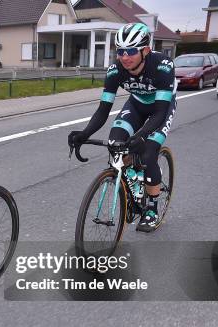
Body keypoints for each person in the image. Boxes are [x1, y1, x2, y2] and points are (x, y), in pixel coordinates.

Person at [68, 23, 177, 232]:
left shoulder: (162, 66)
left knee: (147, 152)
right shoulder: (115, 70)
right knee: (115, 142)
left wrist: (143, 136)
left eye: (131, 51)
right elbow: (102, 111)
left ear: (145, 50)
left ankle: (152, 207)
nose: (125, 57)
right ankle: (134, 182)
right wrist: (84, 134)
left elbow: (160, 113)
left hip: (161, 108)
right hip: (136, 105)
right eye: (120, 51)